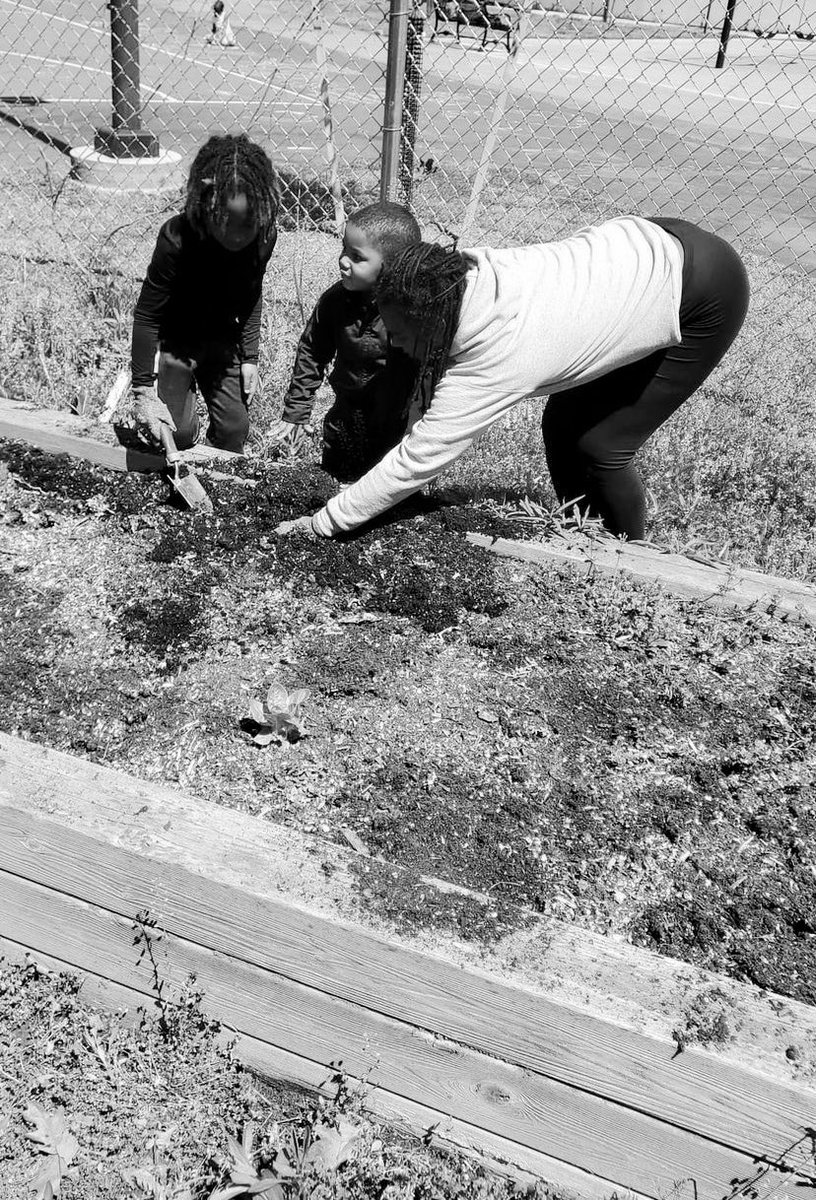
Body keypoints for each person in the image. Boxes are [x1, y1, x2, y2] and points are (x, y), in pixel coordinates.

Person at [276, 216, 749, 540]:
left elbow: (421, 458)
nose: (393, 343)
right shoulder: (459, 277)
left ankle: (628, 561)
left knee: (601, 445)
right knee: (563, 423)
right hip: (644, 245)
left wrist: (326, 522)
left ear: (426, 320)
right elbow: (424, 400)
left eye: (397, 332)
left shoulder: (499, 354)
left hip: (700, 289)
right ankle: (581, 531)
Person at [124, 134, 278, 455]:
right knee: (174, 434)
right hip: (177, 341)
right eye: (226, 223)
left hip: (223, 341)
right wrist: (142, 389)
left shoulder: (263, 236)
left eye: (246, 224)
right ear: (206, 208)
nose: (238, 236)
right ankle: (183, 415)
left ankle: (210, 470)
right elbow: (148, 315)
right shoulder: (177, 240)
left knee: (235, 430)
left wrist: (249, 357)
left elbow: (252, 293)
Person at [270, 201, 423, 482]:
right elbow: (312, 350)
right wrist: (298, 409)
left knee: (390, 488)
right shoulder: (336, 301)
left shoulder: (409, 311)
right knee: (336, 478)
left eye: (356, 257)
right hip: (347, 413)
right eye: (344, 249)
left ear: (390, 267)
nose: (343, 260)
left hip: (397, 422)